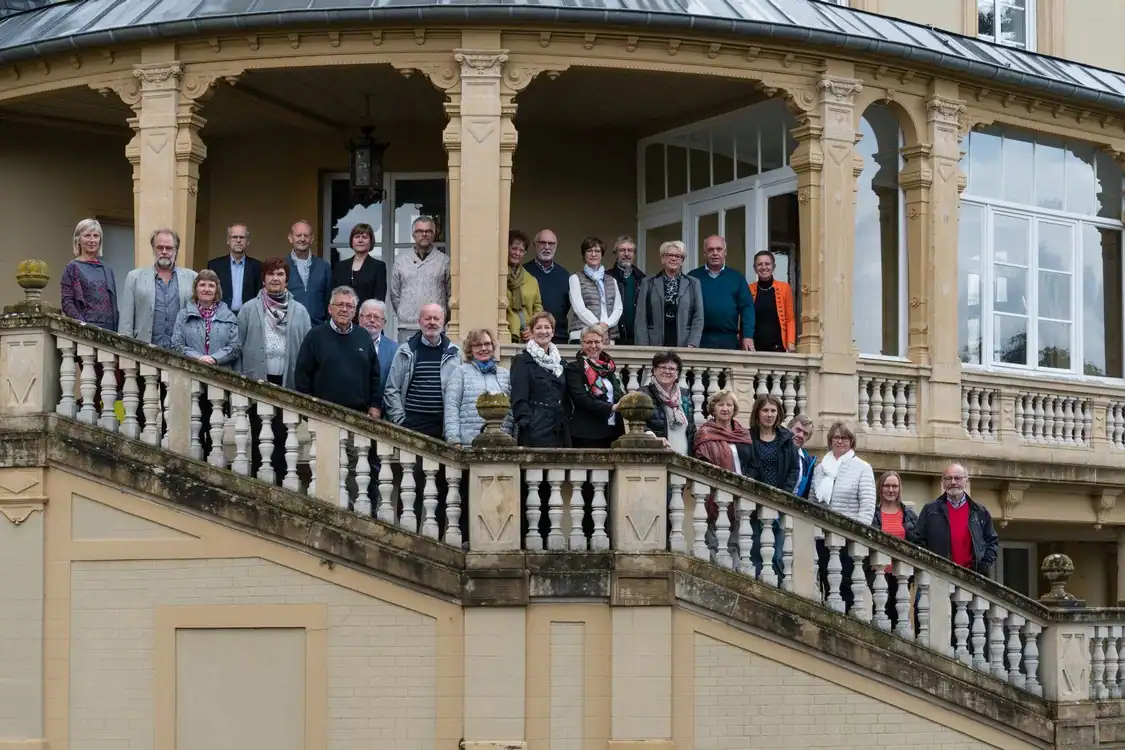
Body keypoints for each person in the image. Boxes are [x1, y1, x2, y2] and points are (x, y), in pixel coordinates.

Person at [810, 422, 876, 611]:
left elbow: (867, 507)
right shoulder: (820, 469)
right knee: (826, 584)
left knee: (846, 586)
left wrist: (856, 536)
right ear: (830, 441)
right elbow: (812, 503)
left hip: (848, 541)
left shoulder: (862, 468)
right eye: (836, 437)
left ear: (851, 441)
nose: (840, 441)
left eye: (844, 438)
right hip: (823, 539)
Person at [294, 286, 381, 418]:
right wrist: (308, 408)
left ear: (354, 312)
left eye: (349, 306)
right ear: (330, 309)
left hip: (359, 416)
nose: (344, 309)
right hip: (323, 415)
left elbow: (374, 376)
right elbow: (302, 376)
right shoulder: (315, 336)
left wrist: (375, 405)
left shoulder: (363, 336)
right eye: (340, 305)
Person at [384, 303, 460, 439]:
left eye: (436, 319)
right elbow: (392, 388)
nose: (432, 322)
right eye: (428, 318)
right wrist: (400, 420)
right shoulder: (405, 351)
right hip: (410, 426)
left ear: (443, 322)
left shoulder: (455, 353)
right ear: (419, 322)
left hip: (442, 428)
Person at [693, 389, 753, 560]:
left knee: (738, 542)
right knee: (714, 541)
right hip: (715, 495)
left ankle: (734, 572)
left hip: (741, 494)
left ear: (734, 409)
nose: (725, 408)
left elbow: (751, 462)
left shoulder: (743, 433)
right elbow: (702, 465)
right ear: (713, 408)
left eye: (729, 405)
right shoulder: (704, 433)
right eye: (720, 405)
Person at [910, 462, 999, 576]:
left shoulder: (980, 512)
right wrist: (930, 566)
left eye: (957, 478)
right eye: (948, 478)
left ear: (966, 481)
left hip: (971, 578)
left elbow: (992, 542)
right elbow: (918, 540)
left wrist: (983, 567)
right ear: (943, 482)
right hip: (939, 576)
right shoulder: (930, 510)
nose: (953, 482)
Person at [745, 395, 799, 578]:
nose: (769, 414)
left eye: (773, 411)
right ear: (757, 413)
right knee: (756, 552)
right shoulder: (748, 437)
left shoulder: (786, 439)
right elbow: (746, 467)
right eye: (765, 410)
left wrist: (784, 494)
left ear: (779, 414)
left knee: (778, 554)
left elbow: (794, 469)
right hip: (755, 503)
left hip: (780, 503)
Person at [238, 258, 312, 389]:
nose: (275, 278)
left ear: (286, 280)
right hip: (254, 380)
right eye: (270, 274)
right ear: (263, 280)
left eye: (280, 274)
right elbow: (238, 346)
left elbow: (309, 351)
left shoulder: (301, 311)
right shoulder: (248, 309)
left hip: (290, 381)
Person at [119, 228, 197, 348]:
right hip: (144, 348)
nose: (164, 252)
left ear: (176, 250)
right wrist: (125, 348)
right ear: (153, 249)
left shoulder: (192, 278)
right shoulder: (134, 277)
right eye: (160, 247)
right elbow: (126, 320)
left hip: (181, 350)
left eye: (169, 248)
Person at [510, 311, 569, 448]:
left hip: (559, 430)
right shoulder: (522, 361)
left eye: (547, 327)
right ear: (531, 332)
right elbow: (519, 398)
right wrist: (527, 424)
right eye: (538, 327)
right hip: (535, 430)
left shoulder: (560, 364)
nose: (543, 331)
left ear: (553, 332)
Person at [444, 328, 512, 446]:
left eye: (487, 344)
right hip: (469, 444)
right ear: (470, 349)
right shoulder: (460, 373)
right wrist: (454, 440)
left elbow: (512, 411)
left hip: (502, 442)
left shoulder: (505, 374)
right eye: (478, 345)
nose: (483, 348)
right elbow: (452, 407)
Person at [687, 235, 755, 350]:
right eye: (710, 249)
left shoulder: (737, 278)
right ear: (704, 254)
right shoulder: (693, 277)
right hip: (698, 340)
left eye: (719, 249)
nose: (715, 253)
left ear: (725, 252)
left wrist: (748, 336)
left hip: (729, 340)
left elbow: (747, 308)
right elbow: (684, 309)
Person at [390, 216, 450, 344]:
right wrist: (404, 313)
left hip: (435, 327)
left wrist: (441, 317)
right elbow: (395, 294)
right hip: (407, 327)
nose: (424, 234)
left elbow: (450, 294)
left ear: (434, 234)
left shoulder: (444, 261)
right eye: (419, 231)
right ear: (413, 234)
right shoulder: (401, 261)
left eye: (428, 231)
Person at [635, 240, 704, 348]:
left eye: (678, 256)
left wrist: (693, 343)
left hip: (684, 344)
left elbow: (698, 317)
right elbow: (641, 318)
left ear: (682, 261)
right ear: (663, 259)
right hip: (654, 344)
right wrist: (643, 347)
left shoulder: (693, 283)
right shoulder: (648, 283)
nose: (673, 258)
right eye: (670, 255)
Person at [871, 471, 918, 628]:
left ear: (899, 489)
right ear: (880, 488)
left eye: (894, 486)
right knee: (880, 612)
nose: (891, 490)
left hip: (901, 573)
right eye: (887, 486)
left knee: (900, 616)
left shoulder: (909, 515)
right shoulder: (872, 514)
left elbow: (917, 542)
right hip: (879, 572)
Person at [565, 325, 624, 449]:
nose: (593, 346)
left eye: (597, 342)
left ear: (603, 343)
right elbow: (581, 398)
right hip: (588, 433)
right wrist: (611, 407)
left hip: (613, 431)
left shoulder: (608, 369)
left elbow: (617, 395)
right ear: (582, 344)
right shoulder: (575, 368)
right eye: (588, 342)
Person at [171, 270, 241, 369]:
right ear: (195, 288)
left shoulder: (229, 316)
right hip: (190, 370)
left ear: (217, 290)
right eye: (202, 285)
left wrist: (214, 358)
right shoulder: (183, 315)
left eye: (211, 285)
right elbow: (177, 345)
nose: (206, 289)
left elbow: (235, 347)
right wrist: (199, 358)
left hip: (221, 373)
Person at [61, 218, 118, 332]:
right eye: (87, 236)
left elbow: (114, 305)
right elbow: (67, 302)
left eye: (96, 236)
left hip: (110, 332)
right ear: (78, 240)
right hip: (86, 332)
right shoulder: (72, 268)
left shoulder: (107, 269)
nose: (92, 240)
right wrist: (83, 326)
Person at [567, 237, 623, 343]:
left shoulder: (612, 280)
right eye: (589, 251)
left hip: (608, 336)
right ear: (584, 255)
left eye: (597, 251)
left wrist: (606, 325)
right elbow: (579, 308)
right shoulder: (575, 278)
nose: (593, 254)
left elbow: (618, 308)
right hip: (582, 335)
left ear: (602, 255)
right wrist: (599, 328)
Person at [524, 229, 570, 344]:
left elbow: (566, 306)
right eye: (542, 243)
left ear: (556, 246)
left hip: (559, 338)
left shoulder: (564, 275)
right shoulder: (524, 272)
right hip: (531, 337)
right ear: (535, 245)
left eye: (551, 243)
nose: (547, 247)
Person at [643, 350, 694, 455]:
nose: (667, 371)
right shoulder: (644, 394)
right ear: (654, 371)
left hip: (684, 458)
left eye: (672, 369)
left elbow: (691, 430)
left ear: (677, 373)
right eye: (662, 367)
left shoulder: (684, 395)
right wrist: (652, 437)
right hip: (658, 457)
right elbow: (638, 425)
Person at [285, 220, 332, 326]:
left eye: (306, 236)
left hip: (318, 327)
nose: (302, 239)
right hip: (290, 328)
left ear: (312, 239)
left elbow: (330, 300)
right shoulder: (282, 267)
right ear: (290, 238)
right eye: (298, 235)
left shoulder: (323, 266)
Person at [206, 223, 261, 314]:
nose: (238, 240)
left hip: (248, 316)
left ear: (247, 241)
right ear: (228, 240)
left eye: (242, 237)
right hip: (221, 316)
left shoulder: (258, 267)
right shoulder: (214, 266)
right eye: (234, 237)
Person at [749, 250, 797, 353]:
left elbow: (790, 319)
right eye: (759, 264)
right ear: (755, 268)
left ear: (773, 266)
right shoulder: (749, 289)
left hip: (778, 348)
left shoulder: (784, 288)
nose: (763, 267)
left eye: (767, 264)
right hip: (754, 349)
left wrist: (791, 342)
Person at [333, 223, 387, 313]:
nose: (360, 240)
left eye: (364, 237)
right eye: (357, 237)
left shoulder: (378, 266)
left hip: (367, 317)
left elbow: (379, 299)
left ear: (371, 241)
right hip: (342, 316)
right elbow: (333, 296)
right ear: (352, 241)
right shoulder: (340, 267)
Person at [358, 299, 398, 417]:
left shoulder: (394, 350)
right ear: (359, 318)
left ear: (384, 322)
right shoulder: (348, 342)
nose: (372, 320)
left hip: (383, 414)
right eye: (368, 316)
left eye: (377, 317)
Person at [606, 235, 645, 346]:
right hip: (612, 338)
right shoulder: (606, 277)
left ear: (634, 254)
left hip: (636, 339)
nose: (626, 254)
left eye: (630, 250)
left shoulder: (643, 279)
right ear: (615, 254)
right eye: (622, 250)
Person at [506, 230, 542, 343]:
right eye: (514, 248)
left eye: (521, 250)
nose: (517, 253)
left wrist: (533, 329)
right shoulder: (497, 276)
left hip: (525, 338)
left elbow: (538, 309)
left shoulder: (531, 280)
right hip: (504, 335)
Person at [788, 413, 817, 499]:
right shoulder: (774, 450)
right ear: (789, 428)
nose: (800, 435)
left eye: (805, 433)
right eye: (798, 430)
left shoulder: (807, 462)